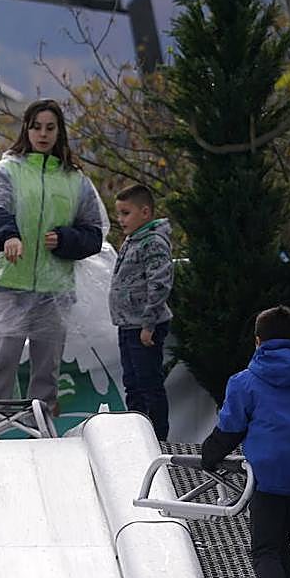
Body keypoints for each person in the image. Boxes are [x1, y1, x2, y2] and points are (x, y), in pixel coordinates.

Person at [0, 99, 106, 415]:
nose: (43, 134)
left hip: (54, 289)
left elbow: (93, 233)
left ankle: (40, 437)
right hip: (9, 284)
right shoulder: (7, 171)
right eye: (36, 127)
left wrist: (65, 239)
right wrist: (9, 236)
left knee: (47, 373)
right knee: (2, 365)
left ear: (59, 133)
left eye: (50, 128)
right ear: (26, 130)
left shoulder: (75, 180)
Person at [201, 305, 290, 578]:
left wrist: (210, 456)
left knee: (264, 547)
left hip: (270, 477)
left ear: (257, 341)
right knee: (278, 541)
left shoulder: (245, 381)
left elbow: (231, 427)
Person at [110, 183, 173, 441]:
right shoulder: (133, 240)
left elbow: (159, 283)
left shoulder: (153, 242)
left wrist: (149, 324)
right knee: (133, 384)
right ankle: (136, 437)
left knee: (149, 385)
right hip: (128, 324)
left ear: (145, 212)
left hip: (144, 326)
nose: (120, 219)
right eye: (119, 213)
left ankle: (158, 439)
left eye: (126, 213)